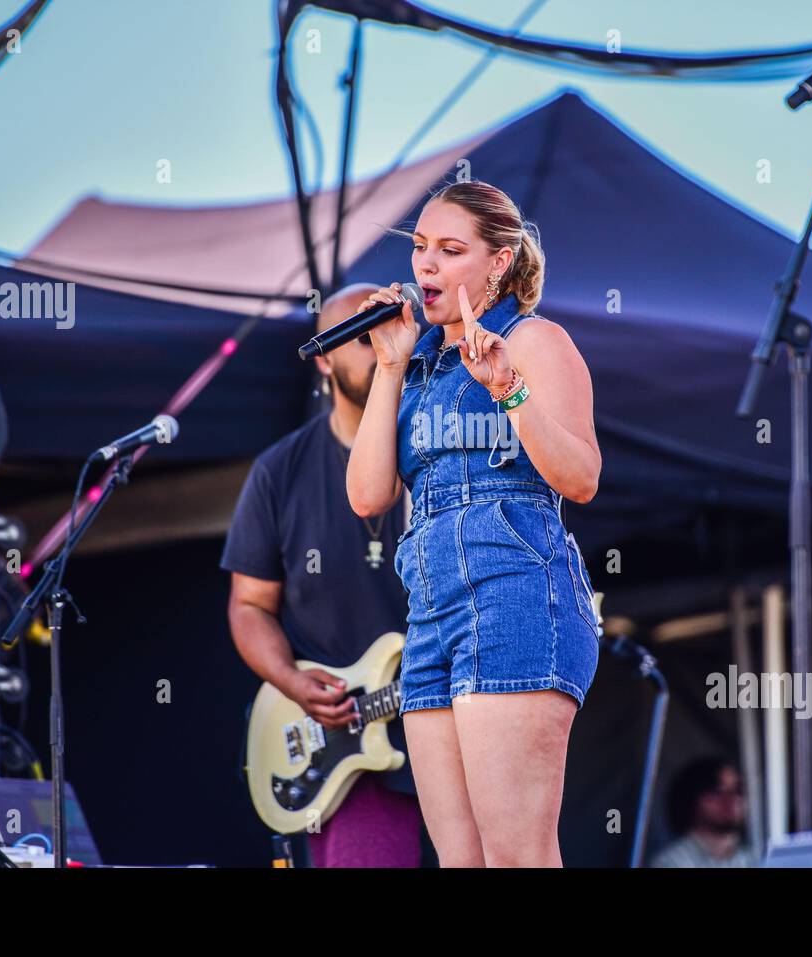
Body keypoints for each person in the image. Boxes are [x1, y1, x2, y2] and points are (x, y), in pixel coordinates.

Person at [346, 180, 602, 867]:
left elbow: (580, 477)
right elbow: (368, 495)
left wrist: (508, 389)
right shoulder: (419, 366)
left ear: (499, 261)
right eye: (421, 248)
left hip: (515, 590)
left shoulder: (536, 339)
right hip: (431, 614)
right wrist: (390, 365)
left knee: (516, 854)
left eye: (450, 250)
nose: (425, 265)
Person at [222, 283, 424, 868]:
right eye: (361, 336)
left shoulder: (438, 449)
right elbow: (249, 605)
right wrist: (289, 679)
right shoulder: (280, 471)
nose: (380, 343)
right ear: (324, 356)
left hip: (453, 725)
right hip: (350, 747)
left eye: (388, 328)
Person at [649, 756, 757, 868]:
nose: (733, 799)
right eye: (718, 792)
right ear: (691, 799)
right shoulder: (671, 862)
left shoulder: (756, 857)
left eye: (738, 790)